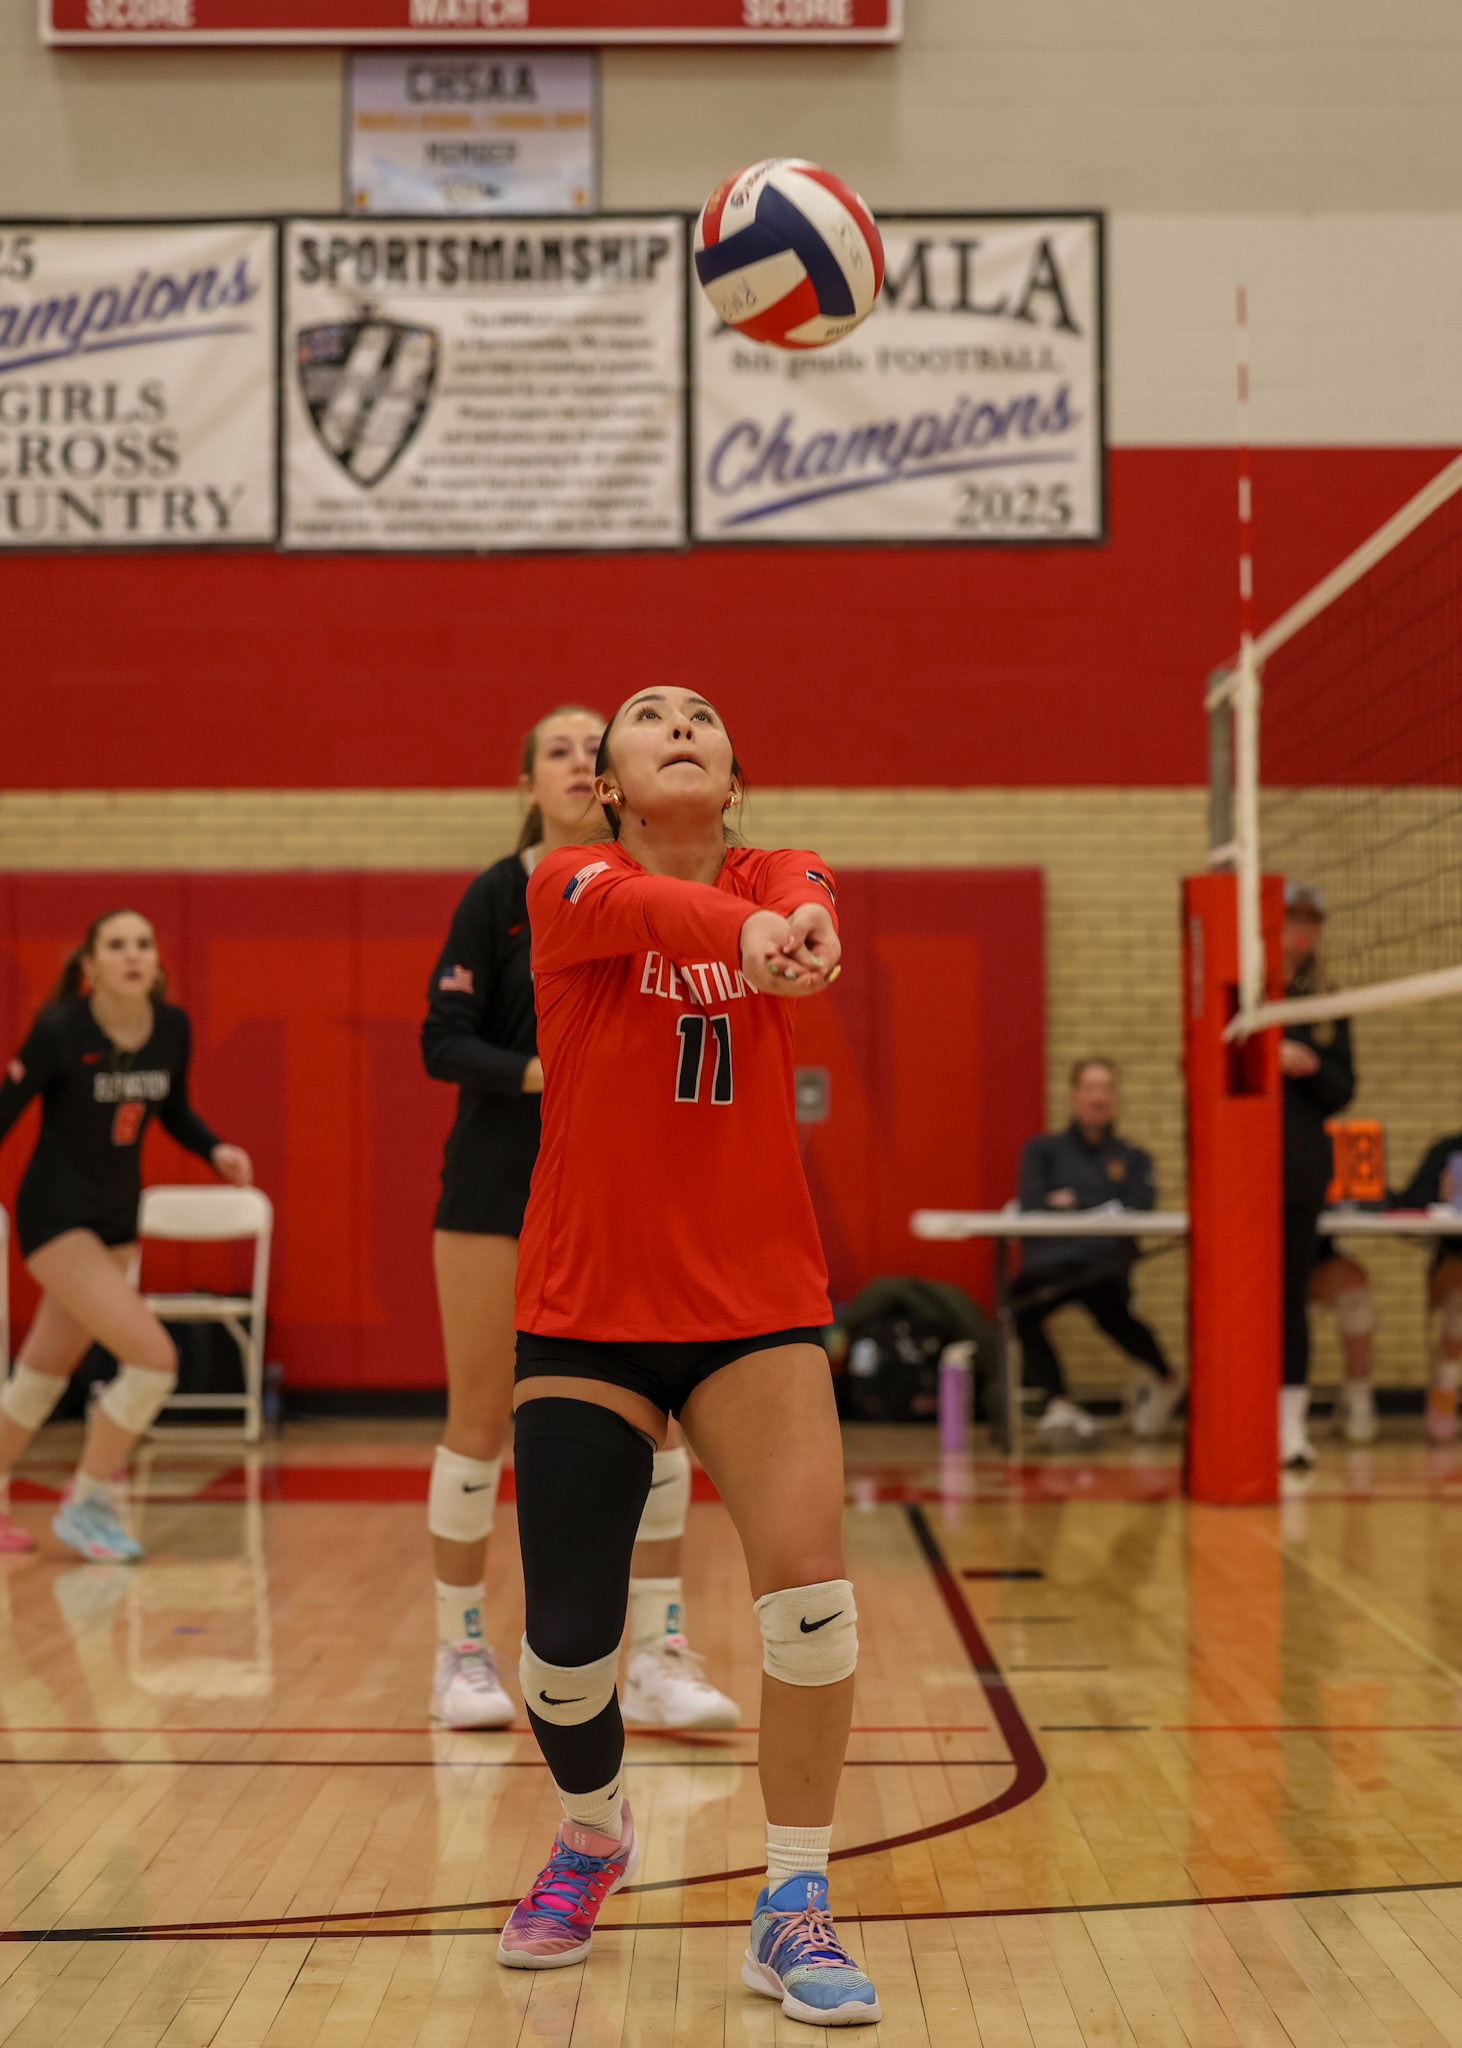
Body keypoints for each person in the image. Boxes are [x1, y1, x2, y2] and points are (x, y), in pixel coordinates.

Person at [495, 687, 880, 2027]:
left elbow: (801, 885)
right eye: (646, 717)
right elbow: (668, 911)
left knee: (812, 1607)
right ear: (605, 782)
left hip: (754, 1307)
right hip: (588, 1308)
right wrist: (756, 933)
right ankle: (592, 1831)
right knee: (563, 1656)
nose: (676, 723)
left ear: (731, 775)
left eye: (702, 717)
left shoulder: (778, 875)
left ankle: (793, 1898)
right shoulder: (567, 883)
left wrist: (800, 920)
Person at [419, 704, 738, 1735]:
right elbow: (441, 1039)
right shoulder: (498, 894)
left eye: (584, 746)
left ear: (610, 782)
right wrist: (545, 1072)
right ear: (528, 785)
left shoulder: (651, 892)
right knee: (480, 1419)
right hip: (497, 1189)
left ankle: (656, 1651)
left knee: (657, 1424)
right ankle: (460, 1648)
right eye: (551, 748)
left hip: (620, 1194)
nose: (571, 760)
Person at [0, 909, 253, 1561]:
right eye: (116, 945)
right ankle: (86, 1503)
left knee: (41, 1375)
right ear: (91, 965)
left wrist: (214, 1148)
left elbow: (173, 1107)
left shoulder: (172, 1027)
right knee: (153, 1360)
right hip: (56, 1218)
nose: (133, 955)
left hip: (117, 1218)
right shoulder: (61, 1031)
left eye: (143, 944)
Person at [1013, 1058, 1181, 1442]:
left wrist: (1072, 1201)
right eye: (1090, 1088)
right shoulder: (1042, 1150)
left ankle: (1167, 1377)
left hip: (1104, 1264)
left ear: (1116, 1097)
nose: (1098, 1098)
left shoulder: (1133, 1157)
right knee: (1020, 1306)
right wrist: (1101, 1202)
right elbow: (1032, 1202)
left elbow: (1140, 1206)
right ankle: (1058, 1401)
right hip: (1051, 1262)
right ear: (1074, 1095)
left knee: (1111, 1310)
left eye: (1106, 1088)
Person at [1278, 884, 1356, 1469]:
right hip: (1243, 1172)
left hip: (1301, 1173)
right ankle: (1238, 1410)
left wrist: (1307, 1067)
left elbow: (1342, 1089)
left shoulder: (1327, 1003)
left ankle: (1290, 1427)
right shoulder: (1246, 992)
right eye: (1292, 919)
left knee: (1290, 1298)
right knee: (1241, 1296)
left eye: (1312, 921)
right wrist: (1268, 1054)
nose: (1302, 931)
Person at [1388, 1134, 1462, 1441]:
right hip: (1454, 1260)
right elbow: (1408, 1202)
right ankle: (1444, 1396)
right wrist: (1439, 1196)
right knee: (1460, 1296)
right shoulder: (1447, 1151)